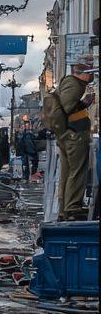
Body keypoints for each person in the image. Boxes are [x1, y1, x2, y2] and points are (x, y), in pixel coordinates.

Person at [55, 57, 96, 220]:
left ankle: (65, 209)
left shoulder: (72, 83)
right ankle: (72, 208)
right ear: (82, 73)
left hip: (68, 134)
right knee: (77, 171)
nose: (92, 77)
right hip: (75, 135)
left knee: (68, 172)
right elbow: (66, 107)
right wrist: (84, 103)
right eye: (90, 73)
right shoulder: (74, 84)